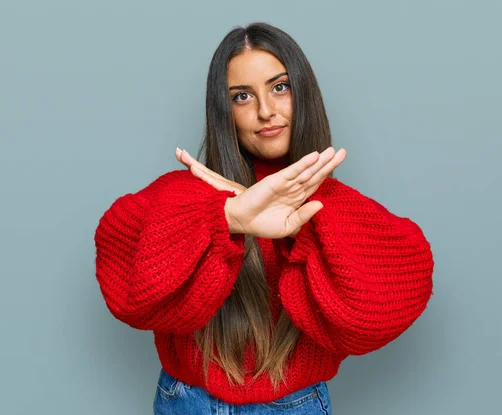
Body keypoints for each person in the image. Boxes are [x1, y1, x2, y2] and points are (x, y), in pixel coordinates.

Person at [94, 22, 435, 414]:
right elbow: (128, 288)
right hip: (186, 403)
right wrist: (225, 216)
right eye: (242, 96)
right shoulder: (189, 194)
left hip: (295, 404)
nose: (265, 111)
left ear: (304, 93)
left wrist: (309, 214)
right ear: (224, 111)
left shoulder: (337, 207)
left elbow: (380, 312)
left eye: (280, 87)